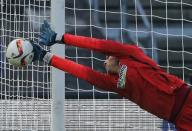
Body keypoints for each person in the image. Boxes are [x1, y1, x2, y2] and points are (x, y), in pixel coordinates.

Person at [32, 21, 192, 131]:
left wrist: (60, 38)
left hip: (186, 97)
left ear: (113, 55)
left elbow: (96, 44)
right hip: (180, 120)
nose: (104, 62)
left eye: (106, 57)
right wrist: (47, 57)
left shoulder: (131, 54)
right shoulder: (115, 83)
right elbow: (81, 71)